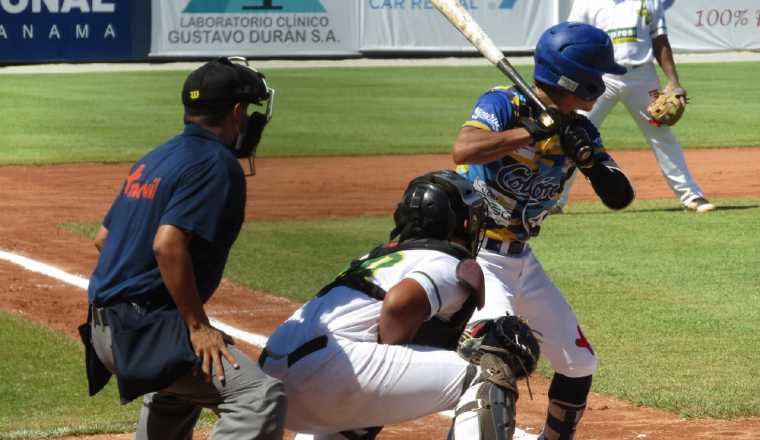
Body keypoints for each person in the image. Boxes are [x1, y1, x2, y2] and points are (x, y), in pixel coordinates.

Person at [78, 57, 285, 440]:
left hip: (106, 329)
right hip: (140, 331)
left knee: (179, 391)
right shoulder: (216, 163)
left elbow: (103, 239)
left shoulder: (157, 157)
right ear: (238, 112)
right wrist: (195, 326)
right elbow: (168, 244)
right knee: (258, 395)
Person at [453, 22, 636, 440]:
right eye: (597, 75)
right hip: (478, 257)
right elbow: (464, 148)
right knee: (493, 361)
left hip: (523, 262)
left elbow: (619, 195)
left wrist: (587, 156)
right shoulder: (504, 104)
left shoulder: (580, 129)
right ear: (578, 79)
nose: (602, 84)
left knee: (578, 363)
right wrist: (532, 131)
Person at [260, 170, 540, 440]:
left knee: (365, 404)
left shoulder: (376, 257)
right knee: (490, 372)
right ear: (462, 224)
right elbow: (400, 302)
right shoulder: (449, 261)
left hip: (274, 381)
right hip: (327, 372)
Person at [555, 0, 714, 213]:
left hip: (642, 75)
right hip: (601, 76)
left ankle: (691, 196)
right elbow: (574, 41)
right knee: (574, 133)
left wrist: (674, 82)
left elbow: (660, 40)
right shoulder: (586, 2)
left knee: (662, 135)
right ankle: (555, 199)